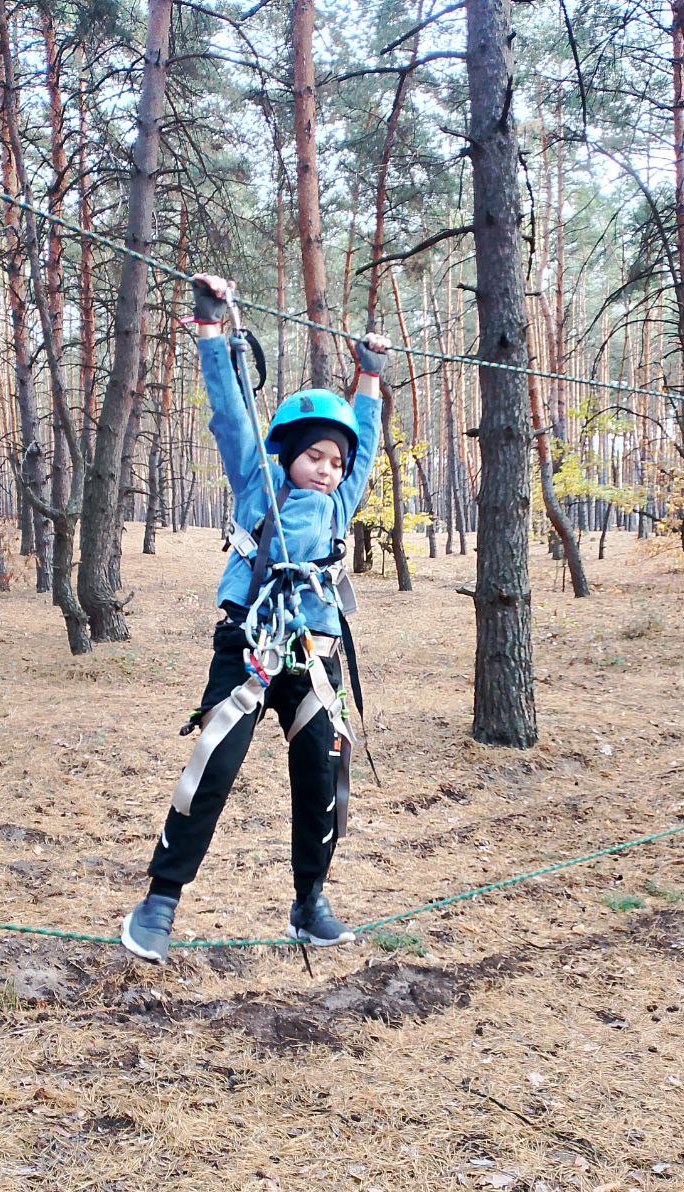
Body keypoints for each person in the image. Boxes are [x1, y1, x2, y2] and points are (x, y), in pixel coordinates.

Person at [121, 274, 389, 963]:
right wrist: (212, 331)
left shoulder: (340, 499)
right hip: (249, 645)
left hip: (316, 654)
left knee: (323, 775)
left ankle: (310, 899)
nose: (328, 470)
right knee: (214, 764)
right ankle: (161, 899)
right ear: (287, 453)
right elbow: (230, 412)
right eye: (315, 457)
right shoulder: (256, 480)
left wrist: (369, 373)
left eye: (337, 461)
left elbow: (367, 429)